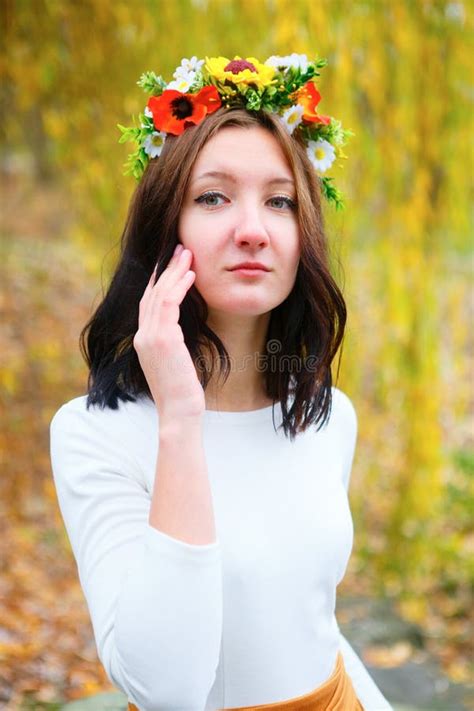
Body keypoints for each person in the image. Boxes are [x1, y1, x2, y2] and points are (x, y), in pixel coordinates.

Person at [49, 54, 393, 711]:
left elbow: (312, 621)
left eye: (280, 201)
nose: (253, 231)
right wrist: (180, 420)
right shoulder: (95, 434)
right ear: (164, 228)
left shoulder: (326, 414)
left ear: (304, 234)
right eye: (213, 196)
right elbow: (168, 689)